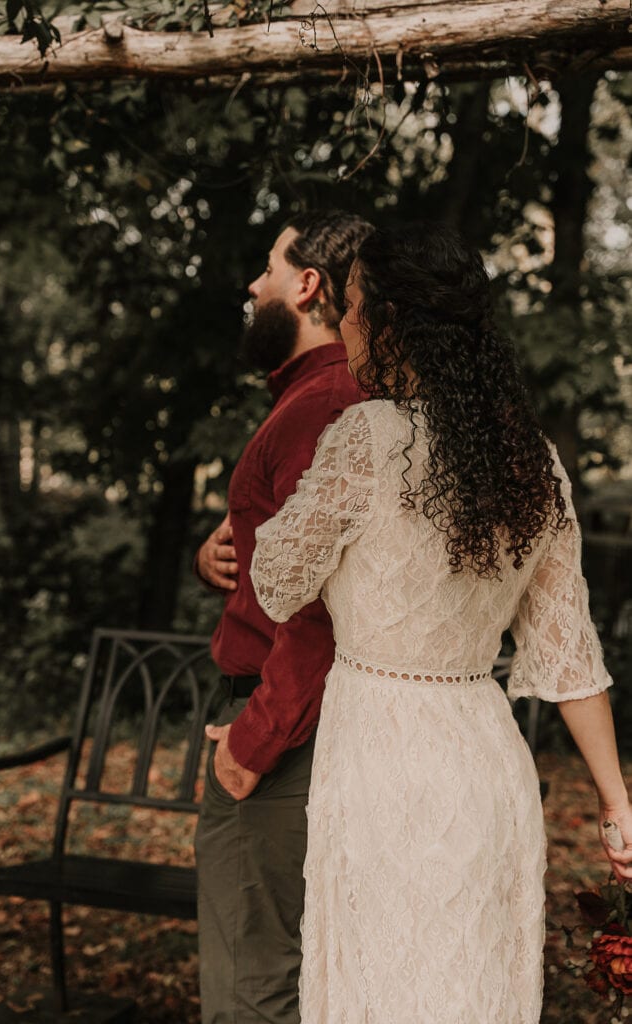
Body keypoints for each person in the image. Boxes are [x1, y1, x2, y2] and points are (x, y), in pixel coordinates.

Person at [250, 222, 632, 1023]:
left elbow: (277, 581)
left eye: (351, 305)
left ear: (389, 321)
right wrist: (615, 803)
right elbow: (567, 654)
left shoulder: (364, 438)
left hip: (381, 764)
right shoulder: (531, 460)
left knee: (381, 992)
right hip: (485, 765)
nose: (344, 322)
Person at [194, 210, 374, 1024]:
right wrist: (218, 558)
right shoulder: (314, 398)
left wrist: (250, 746)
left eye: (267, 267)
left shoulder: (322, 404)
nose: (252, 284)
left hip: (281, 737)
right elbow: (284, 562)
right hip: (288, 724)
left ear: (306, 286)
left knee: (252, 988)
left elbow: (320, 609)